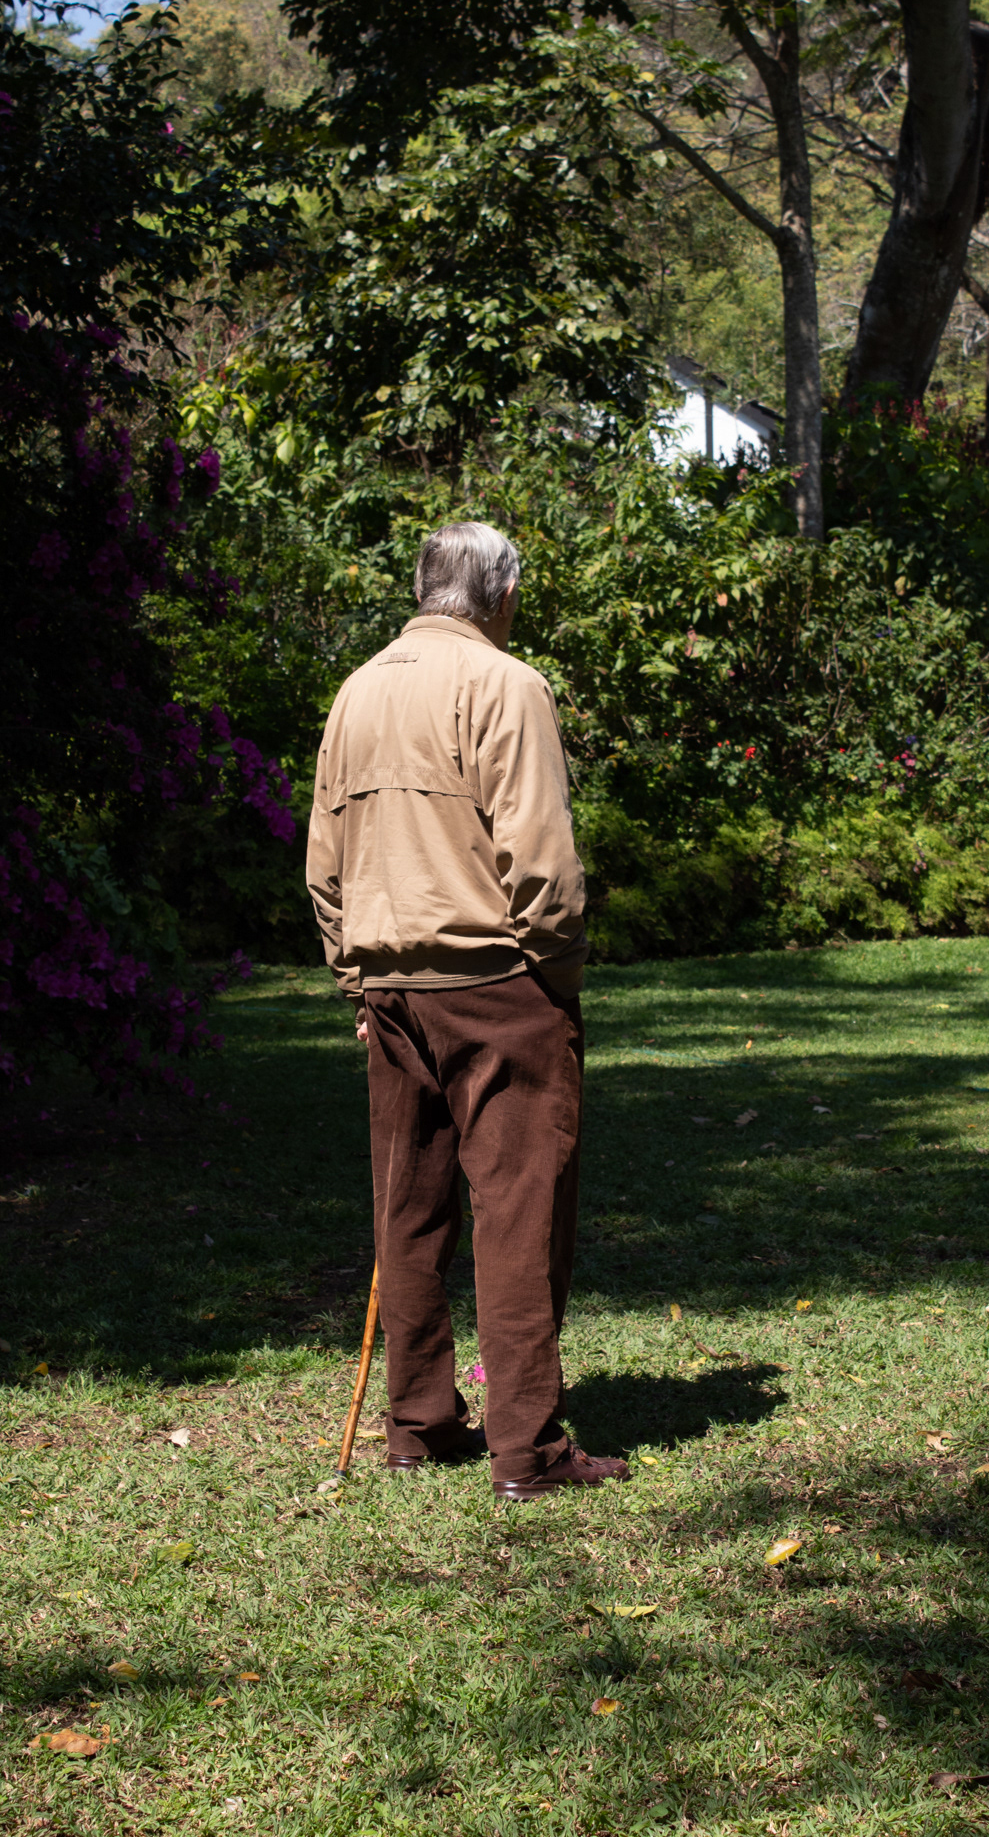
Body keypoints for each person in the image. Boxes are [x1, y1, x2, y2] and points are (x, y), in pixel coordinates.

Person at [306, 522, 630, 1502]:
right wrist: (557, 980)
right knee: (517, 1217)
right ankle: (526, 1450)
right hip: (499, 986)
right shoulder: (509, 683)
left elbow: (325, 865)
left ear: (421, 588)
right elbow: (541, 862)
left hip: (393, 990)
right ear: (500, 594)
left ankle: (417, 1426)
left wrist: (357, 981)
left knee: (409, 1216)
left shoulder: (357, 689)